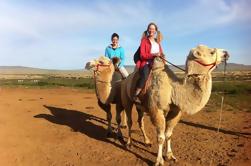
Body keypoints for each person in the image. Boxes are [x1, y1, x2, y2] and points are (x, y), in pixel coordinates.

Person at [133, 22, 164, 103]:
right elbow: (142, 55)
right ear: (147, 30)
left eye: (153, 29)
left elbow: (161, 53)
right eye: (150, 29)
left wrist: (163, 58)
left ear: (155, 31)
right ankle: (136, 94)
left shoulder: (158, 42)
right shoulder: (144, 41)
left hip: (158, 64)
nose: (151, 30)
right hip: (146, 63)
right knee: (145, 76)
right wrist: (154, 55)